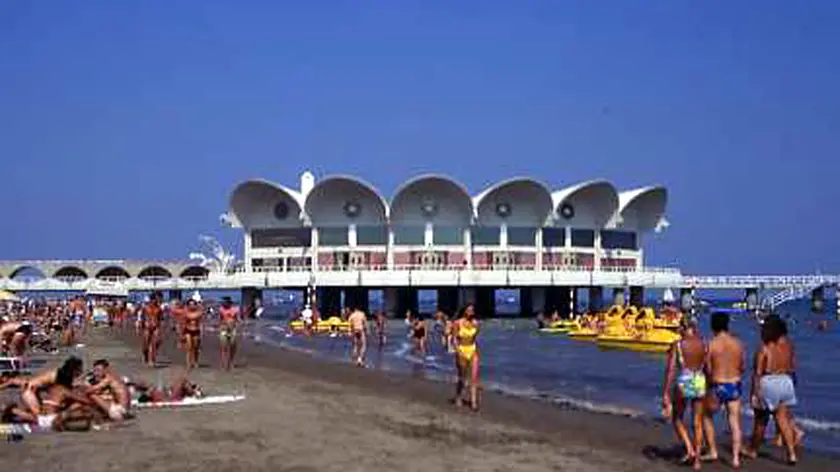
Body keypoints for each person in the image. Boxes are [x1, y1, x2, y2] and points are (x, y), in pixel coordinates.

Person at [744, 315, 800, 464]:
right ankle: (791, 453)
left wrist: (754, 393)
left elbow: (758, 373)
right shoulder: (789, 345)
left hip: (769, 382)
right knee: (783, 419)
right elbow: (793, 367)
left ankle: (753, 449)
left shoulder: (764, 348)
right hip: (786, 380)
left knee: (761, 420)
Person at [702, 312, 746, 468]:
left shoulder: (711, 344)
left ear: (713, 325)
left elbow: (707, 368)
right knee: (734, 421)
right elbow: (743, 366)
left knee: (706, 416)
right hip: (734, 384)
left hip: (716, 384)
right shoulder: (738, 343)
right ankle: (735, 458)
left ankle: (713, 450)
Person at [661, 318, 706, 470]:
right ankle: (698, 460)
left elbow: (671, 370)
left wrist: (666, 392)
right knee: (697, 422)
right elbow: (708, 367)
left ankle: (689, 449)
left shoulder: (678, 345)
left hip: (685, 379)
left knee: (677, 418)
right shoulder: (703, 344)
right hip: (700, 379)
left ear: (683, 328)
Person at [452, 304, 480, 411]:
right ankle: (459, 396)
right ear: (464, 311)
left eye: (472, 310)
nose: (470, 312)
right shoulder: (457, 323)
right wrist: (458, 351)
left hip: (473, 350)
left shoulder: (476, 323)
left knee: (474, 378)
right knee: (462, 378)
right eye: (468, 310)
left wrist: (476, 350)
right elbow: (454, 339)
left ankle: (473, 403)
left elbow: (474, 338)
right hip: (461, 350)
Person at [218, 297, 240, 371]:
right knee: (223, 346)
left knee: (232, 345)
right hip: (224, 329)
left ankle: (231, 362)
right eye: (223, 302)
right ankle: (224, 363)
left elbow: (238, 319)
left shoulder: (235, 309)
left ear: (229, 302)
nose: (223, 303)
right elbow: (220, 319)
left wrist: (237, 327)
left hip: (232, 329)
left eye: (225, 302)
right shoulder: (221, 309)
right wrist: (220, 327)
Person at [142, 295, 164, 367]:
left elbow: (161, 319)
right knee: (146, 345)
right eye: (154, 300)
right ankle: (146, 356)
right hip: (147, 327)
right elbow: (141, 317)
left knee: (155, 343)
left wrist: (161, 329)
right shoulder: (145, 307)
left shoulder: (159, 308)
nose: (156, 301)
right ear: (151, 300)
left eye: (156, 300)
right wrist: (141, 325)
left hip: (156, 326)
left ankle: (152, 360)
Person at [183, 298, 203, 369]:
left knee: (196, 347)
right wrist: (182, 335)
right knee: (189, 347)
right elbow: (184, 323)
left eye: (193, 304)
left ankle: (195, 361)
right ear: (188, 305)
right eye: (190, 305)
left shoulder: (198, 313)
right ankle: (188, 362)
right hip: (188, 330)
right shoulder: (186, 313)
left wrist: (201, 333)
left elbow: (200, 323)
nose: (192, 306)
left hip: (196, 330)